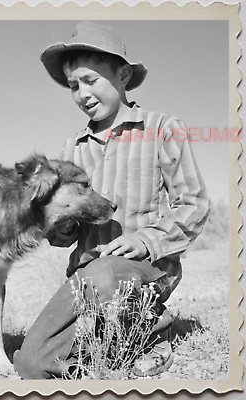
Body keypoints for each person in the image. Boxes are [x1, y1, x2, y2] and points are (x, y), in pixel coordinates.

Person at [13, 21, 210, 379]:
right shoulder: (72, 149)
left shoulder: (162, 128)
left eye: (91, 80)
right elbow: (63, 237)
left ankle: (150, 330)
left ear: (122, 74)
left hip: (147, 273)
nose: (82, 93)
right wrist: (60, 224)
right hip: (86, 279)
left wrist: (144, 240)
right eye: (73, 86)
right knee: (30, 364)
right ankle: (110, 346)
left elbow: (194, 204)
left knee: (105, 275)